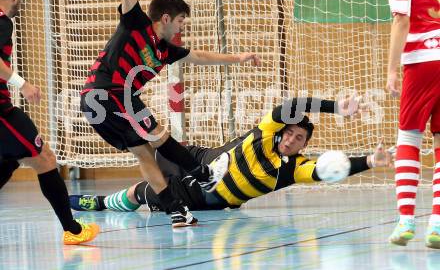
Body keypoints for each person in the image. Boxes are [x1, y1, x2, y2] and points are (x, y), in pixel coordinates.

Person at [80, 0, 260, 227]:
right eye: (179, 21)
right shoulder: (136, 24)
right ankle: (204, 174)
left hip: (108, 101)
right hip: (108, 94)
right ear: (165, 18)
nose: (181, 28)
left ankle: (176, 210)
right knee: (159, 137)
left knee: (144, 153)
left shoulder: (166, 50)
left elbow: (199, 56)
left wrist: (239, 57)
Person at [70, 96, 392, 213]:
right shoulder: (267, 132)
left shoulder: (293, 170)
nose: (292, 140)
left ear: (304, 147)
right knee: (157, 150)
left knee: (148, 192)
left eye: (299, 139)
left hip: (207, 196)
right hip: (198, 158)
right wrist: (335, 108)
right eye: (290, 133)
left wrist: (371, 162)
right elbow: (288, 107)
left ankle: (99, 204)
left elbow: (327, 170)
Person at [0, 0, 99, 245]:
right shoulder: (2, 21)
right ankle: (73, 230)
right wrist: (22, 84)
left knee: (9, 159)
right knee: (44, 158)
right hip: (1, 112)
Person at [386, 0, 440, 248]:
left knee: (409, 136)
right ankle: (437, 224)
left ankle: (406, 219)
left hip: (422, 62)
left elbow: (401, 19)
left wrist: (392, 69)